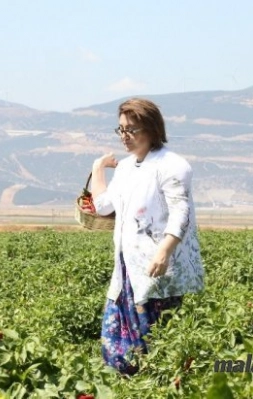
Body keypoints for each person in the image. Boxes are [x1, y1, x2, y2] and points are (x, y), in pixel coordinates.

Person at [90, 97, 204, 376]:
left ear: (152, 129)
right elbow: (104, 206)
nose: (124, 136)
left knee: (156, 345)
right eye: (121, 129)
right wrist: (98, 168)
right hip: (128, 269)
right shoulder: (127, 168)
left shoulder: (172, 165)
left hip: (158, 271)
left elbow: (181, 212)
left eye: (132, 129)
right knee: (115, 345)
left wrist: (164, 250)